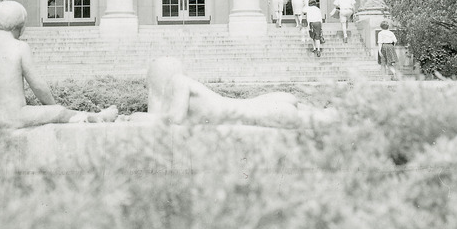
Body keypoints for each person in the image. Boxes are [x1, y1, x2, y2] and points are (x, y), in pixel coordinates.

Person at [0, 0, 118, 128]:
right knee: (59, 112)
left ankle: (92, 116)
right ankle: (95, 117)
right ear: (21, 28)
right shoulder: (20, 47)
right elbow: (37, 85)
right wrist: (52, 107)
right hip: (14, 117)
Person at [124, 57, 338, 129]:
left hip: (262, 112)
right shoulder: (185, 83)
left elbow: (175, 119)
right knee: (323, 115)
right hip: (263, 104)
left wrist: (137, 117)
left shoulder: (179, 83)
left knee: (326, 120)